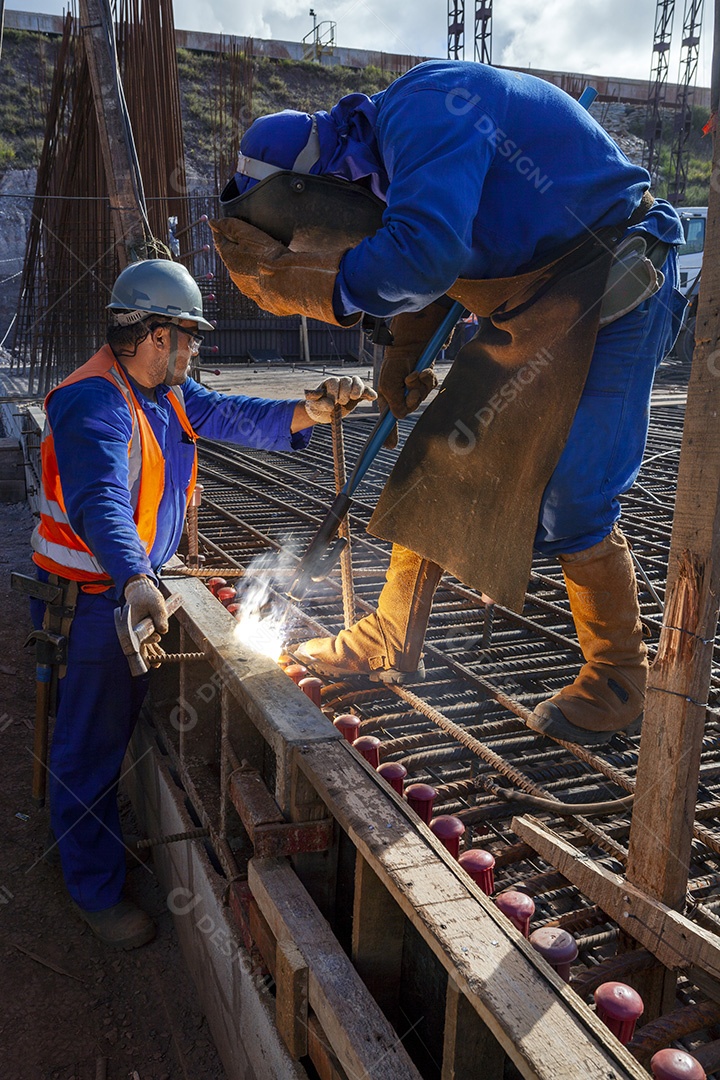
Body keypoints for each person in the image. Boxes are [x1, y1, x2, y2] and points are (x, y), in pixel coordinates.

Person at [211, 59, 687, 749]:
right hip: (534, 300)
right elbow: (428, 257)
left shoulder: (426, 110)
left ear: (313, 186)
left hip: (617, 284)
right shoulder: (384, 157)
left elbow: (427, 253)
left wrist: (323, 290)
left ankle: (618, 675)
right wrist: (401, 353)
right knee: (439, 458)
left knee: (572, 493)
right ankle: (386, 641)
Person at [30, 258, 375, 948]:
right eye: (188, 336)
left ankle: (92, 848)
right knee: (86, 750)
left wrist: (314, 407)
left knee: (106, 738)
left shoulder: (163, 390)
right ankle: (91, 892)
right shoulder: (92, 400)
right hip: (96, 600)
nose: (195, 349)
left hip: (126, 589)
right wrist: (135, 579)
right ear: (156, 335)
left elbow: (233, 414)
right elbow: (99, 500)